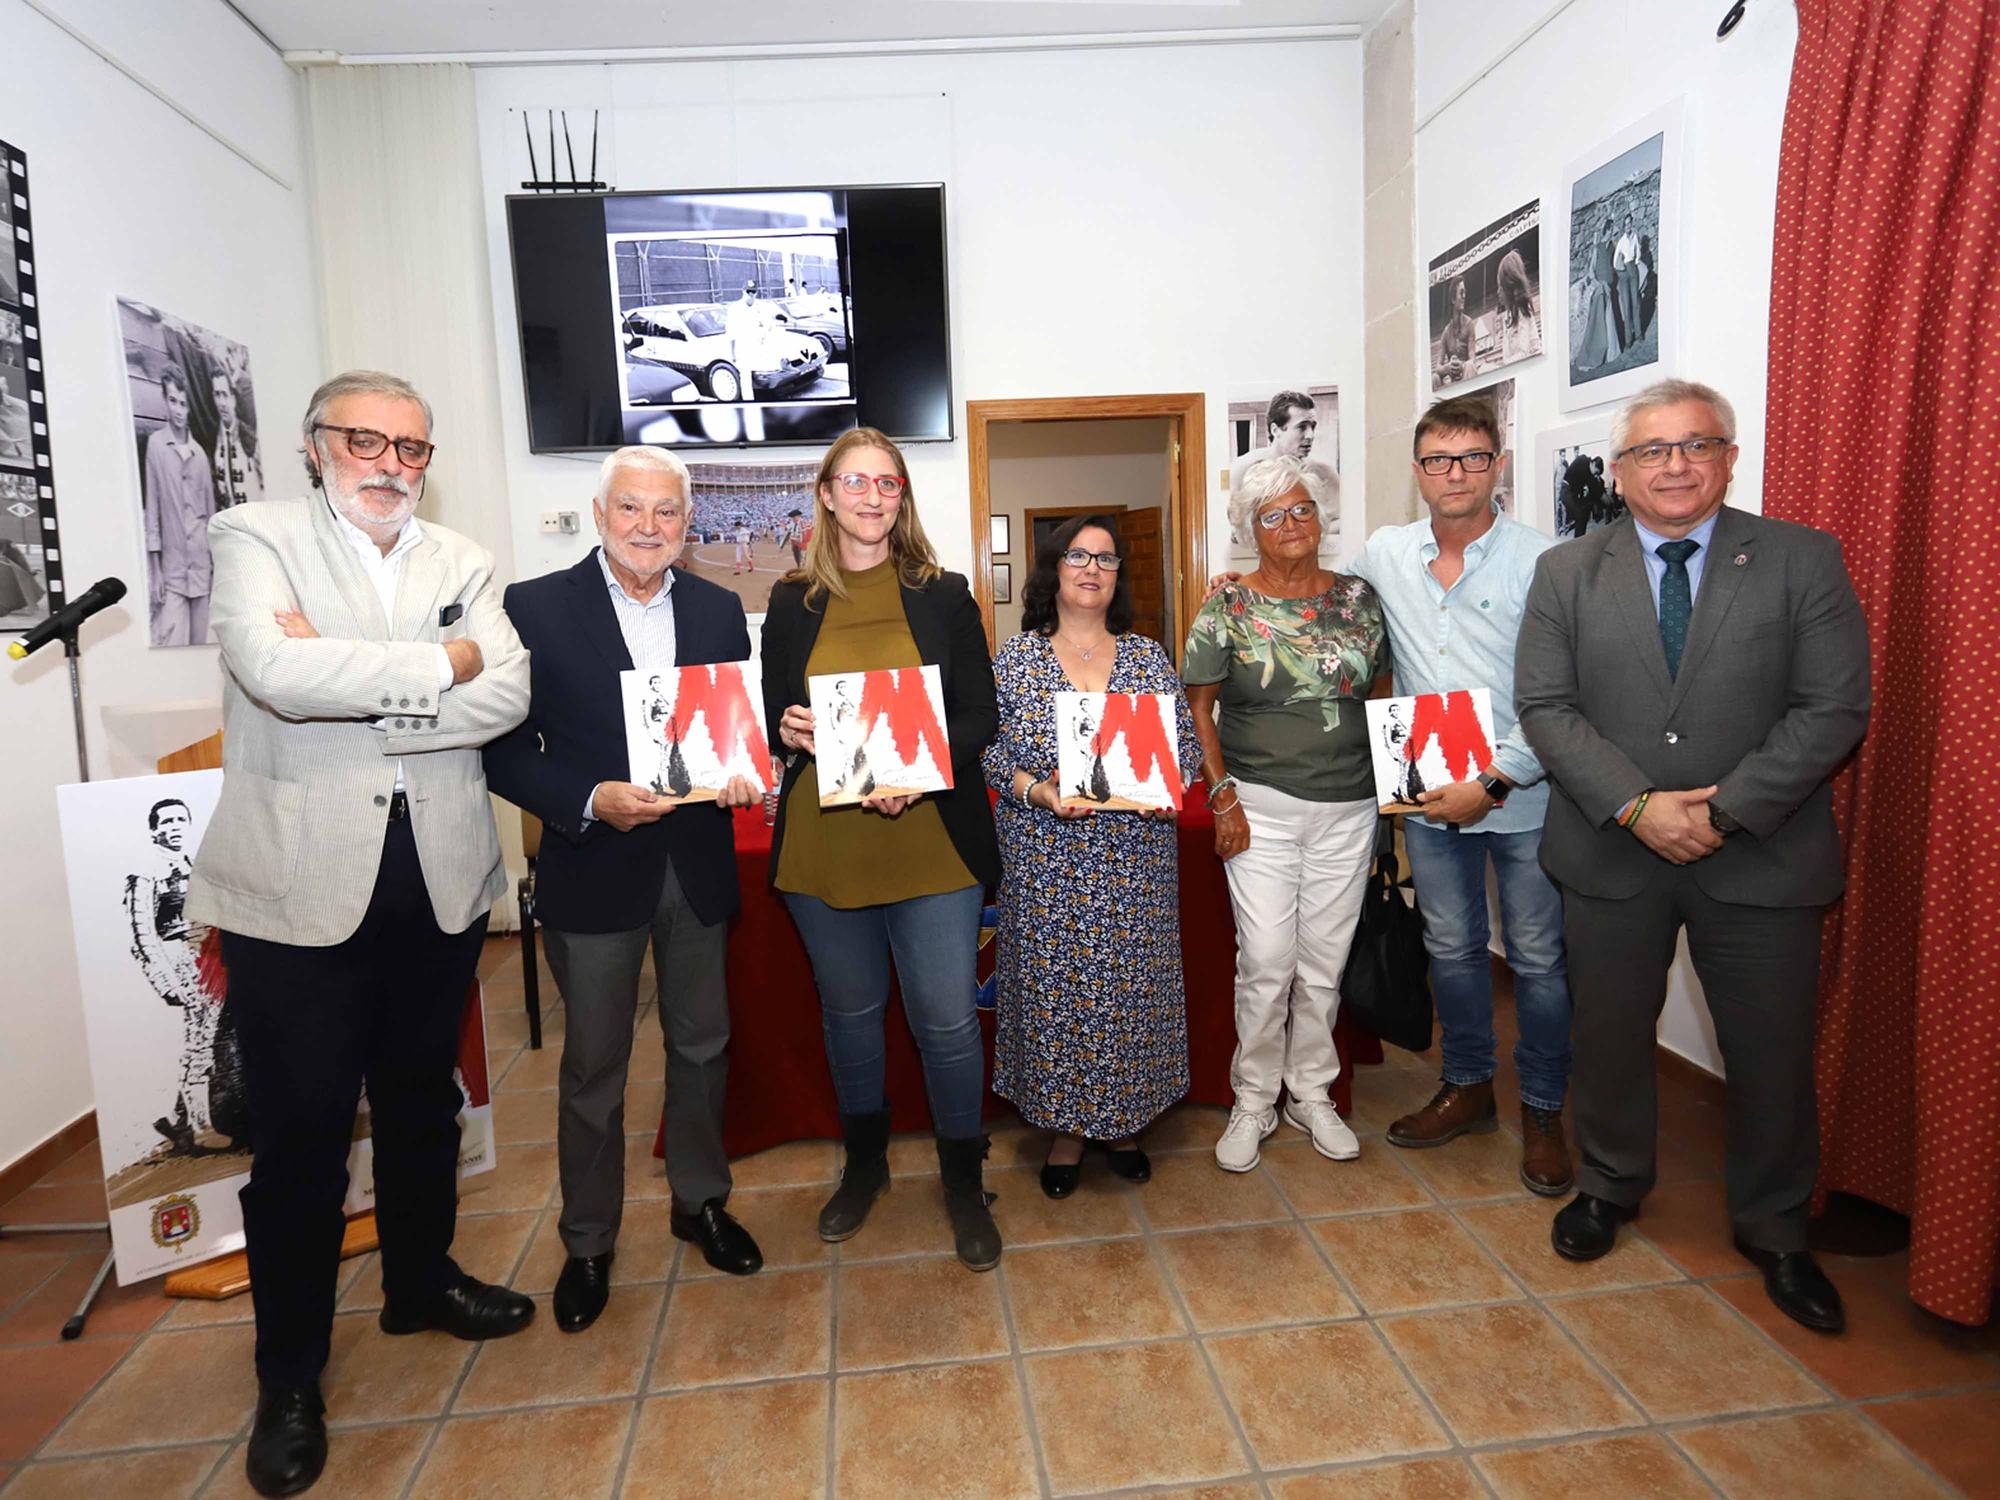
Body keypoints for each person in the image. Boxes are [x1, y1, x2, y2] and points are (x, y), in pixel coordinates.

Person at [187, 370, 533, 1497]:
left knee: (426, 1102)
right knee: (301, 1134)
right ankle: (289, 1377)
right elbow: (276, 675)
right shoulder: (256, 536)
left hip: (433, 881)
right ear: (314, 444)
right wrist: (443, 665)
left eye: (413, 449)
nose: (391, 464)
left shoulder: (461, 559)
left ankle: (419, 1284)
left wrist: (358, 670)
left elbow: (511, 692)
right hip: (297, 893)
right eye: (367, 441)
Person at [1515, 378, 1870, 1334]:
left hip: (1761, 857)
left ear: (1729, 456)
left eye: (1696, 444)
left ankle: (1776, 1226)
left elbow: (1833, 708)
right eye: (1652, 450)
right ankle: (1610, 1185)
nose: (1675, 464)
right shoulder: (1567, 573)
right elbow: (1547, 709)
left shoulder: (1802, 560)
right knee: (1610, 1035)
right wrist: (1638, 807)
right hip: (1610, 852)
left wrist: (1728, 811)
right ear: (1620, 472)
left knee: (1770, 1052)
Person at [486, 447, 767, 1334]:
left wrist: (744, 774)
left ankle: (700, 1202)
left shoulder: (722, 611)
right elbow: (501, 751)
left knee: (703, 1048)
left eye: (667, 513)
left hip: (696, 868)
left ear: (689, 526)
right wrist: (587, 799)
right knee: (593, 1071)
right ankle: (589, 1243)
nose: (649, 527)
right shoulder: (531, 608)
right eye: (632, 510)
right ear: (602, 514)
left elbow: (734, 734)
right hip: (593, 870)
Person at [760, 427, 1004, 1269]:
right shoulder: (791, 602)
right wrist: (788, 729)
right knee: (852, 1018)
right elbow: (773, 719)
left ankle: (964, 1182)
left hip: (931, 838)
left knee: (946, 1024)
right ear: (825, 494)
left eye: (888, 484)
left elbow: (982, 714)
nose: (871, 497)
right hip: (828, 848)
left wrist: (924, 767)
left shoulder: (943, 593)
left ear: (902, 498)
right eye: (855, 482)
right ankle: (865, 1168)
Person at [1347, 394, 1574, 1195]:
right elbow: (1317, 597)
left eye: (1473, 457)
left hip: (1524, 794)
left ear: (1498, 465)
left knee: (1541, 961)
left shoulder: (1545, 561)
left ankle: (1543, 1110)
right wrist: (1242, 586)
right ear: (1417, 473)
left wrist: (1494, 779)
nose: (1456, 474)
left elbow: (1561, 691)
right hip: (1428, 797)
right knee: (1450, 948)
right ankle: (1470, 1086)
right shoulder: (1385, 553)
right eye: (1439, 460)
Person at [1182, 456, 1388, 1172]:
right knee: (1267, 964)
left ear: (1321, 517)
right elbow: (1199, 710)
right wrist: (1223, 794)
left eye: (1302, 509)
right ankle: (1253, 1098)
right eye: (1272, 515)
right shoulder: (1227, 607)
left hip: (1350, 805)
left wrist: (1397, 786)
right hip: (1259, 808)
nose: (1291, 524)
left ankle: (1312, 1095)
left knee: (1324, 968)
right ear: (1249, 530)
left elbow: (1383, 696)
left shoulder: (1361, 600)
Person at [983, 514, 1198, 1197]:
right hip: (1045, 858)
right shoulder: (1015, 659)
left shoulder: (1147, 658)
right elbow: (988, 754)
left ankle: (1126, 1122)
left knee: (1130, 992)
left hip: (1134, 860)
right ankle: (1067, 1131)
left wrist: (1171, 789)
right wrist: (1036, 790)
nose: (1091, 568)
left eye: (1106, 560)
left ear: (1117, 578)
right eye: (1078, 555)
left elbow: (1184, 752)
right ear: (1054, 570)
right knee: (1059, 996)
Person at [125, 798, 224, 1157]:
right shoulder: (145, 871)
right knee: (199, 1046)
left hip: (210, 958)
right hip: (181, 962)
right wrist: (164, 979)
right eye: (167, 821)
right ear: (154, 829)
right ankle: (200, 1129)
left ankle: (176, 1119)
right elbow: (142, 933)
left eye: (182, 818)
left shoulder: (192, 861)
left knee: (209, 1043)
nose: (175, 826)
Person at [142, 365, 216, 646]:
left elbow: (210, 517)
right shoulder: (156, 446)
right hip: (172, 568)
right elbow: (153, 507)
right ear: (165, 401)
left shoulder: (200, 455)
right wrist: (156, 569)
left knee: (202, 646)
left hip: (201, 566)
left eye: (184, 404)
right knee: (170, 641)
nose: (179, 410)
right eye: (173, 401)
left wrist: (213, 567)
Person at [1229, 390, 1339, 500]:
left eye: (1312, 427)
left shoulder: (1324, 474)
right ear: (1275, 430)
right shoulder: (1242, 470)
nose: (1310, 435)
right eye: (1301, 427)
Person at [211, 368, 264, 509]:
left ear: (233, 399)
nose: (221, 402)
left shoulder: (249, 437)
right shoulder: (215, 440)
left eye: (224, 394)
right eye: (217, 395)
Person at [1494, 247, 1539, 363]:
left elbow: (1524, 353)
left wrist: (1502, 366)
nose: (1497, 292)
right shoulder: (1508, 317)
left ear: (1509, 287)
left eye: (1500, 287)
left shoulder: (1522, 312)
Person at [1436, 278, 1478, 383]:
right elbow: (1437, 367)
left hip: (1467, 375)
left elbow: (1472, 359)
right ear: (1453, 299)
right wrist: (1447, 368)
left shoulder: (1469, 324)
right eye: (1461, 293)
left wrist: (1462, 366)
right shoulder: (1445, 333)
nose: (1464, 296)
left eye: (1465, 293)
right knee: (1434, 378)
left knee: (1469, 365)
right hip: (1453, 379)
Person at [1613, 216, 1643, 349]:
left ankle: (1639, 334)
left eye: (1630, 223)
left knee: (1636, 303)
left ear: (1632, 224)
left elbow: (1638, 254)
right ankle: (1628, 340)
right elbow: (1615, 262)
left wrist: (1635, 265)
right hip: (1624, 273)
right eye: (1626, 225)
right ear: (1623, 227)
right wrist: (1622, 269)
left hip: (1633, 270)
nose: (1628, 226)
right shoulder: (1621, 242)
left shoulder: (1635, 237)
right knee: (1626, 306)